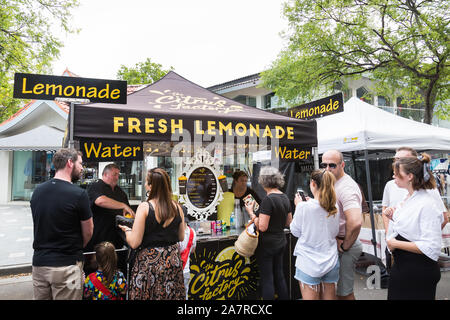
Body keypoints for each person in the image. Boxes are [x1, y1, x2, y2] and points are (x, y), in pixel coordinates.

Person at [31, 148, 93, 300]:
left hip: (39, 265)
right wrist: (75, 247)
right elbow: (88, 231)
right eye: (80, 163)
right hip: (68, 267)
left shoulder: (37, 191)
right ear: (70, 163)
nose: (82, 168)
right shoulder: (79, 194)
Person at [118, 168, 186, 300]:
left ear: (152, 186)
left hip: (149, 265)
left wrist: (127, 231)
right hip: (172, 263)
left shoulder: (144, 207)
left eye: (146, 182)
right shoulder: (178, 207)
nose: (144, 185)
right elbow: (181, 236)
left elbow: (134, 242)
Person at [386, 153, 443, 299]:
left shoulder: (427, 203)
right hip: (404, 267)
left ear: (410, 176)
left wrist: (395, 243)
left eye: (397, 174)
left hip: (418, 271)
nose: (394, 177)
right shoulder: (410, 198)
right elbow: (411, 228)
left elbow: (430, 246)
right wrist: (393, 217)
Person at [382, 147, 449, 270]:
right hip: (397, 253)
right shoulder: (393, 187)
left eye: (402, 159)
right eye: (395, 159)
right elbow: (403, 218)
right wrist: (391, 231)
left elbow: (441, 220)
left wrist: (411, 241)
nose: (397, 163)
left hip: (415, 259)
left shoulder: (428, 193)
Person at [290, 169, 340, 300]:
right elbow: (334, 232)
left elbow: (295, 231)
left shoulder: (303, 207)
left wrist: (298, 206)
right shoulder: (334, 206)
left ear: (313, 183)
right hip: (331, 260)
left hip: (308, 262)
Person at [245, 166, 292, 300]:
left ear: (263, 182)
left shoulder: (268, 200)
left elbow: (263, 227)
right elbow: (289, 222)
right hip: (281, 241)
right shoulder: (284, 197)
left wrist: (251, 213)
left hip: (267, 245)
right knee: (279, 275)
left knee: (267, 279)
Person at [321, 150, 362, 300]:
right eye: (323, 165)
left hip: (345, 246)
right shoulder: (332, 182)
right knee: (335, 291)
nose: (327, 168)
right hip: (337, 243)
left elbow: (356, 221)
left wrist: (345, 245)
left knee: (344, 293)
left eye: (332, 165)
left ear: (342, 165)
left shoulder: (347, 188)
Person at [86, 163, 134, 252]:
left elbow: (128, 211)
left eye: (118, 175)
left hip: (117, 239)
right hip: (99, 238)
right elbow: (100, 200)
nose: (117, 177)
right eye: (114, 174)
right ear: (105, 174)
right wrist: (123, 205)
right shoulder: (96, 186)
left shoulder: (120, 192)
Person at [178, 209, 197, 300]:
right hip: (186, 270)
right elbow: (193, 250)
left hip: (175, 271)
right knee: (185, 295)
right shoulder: (192, 231)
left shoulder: (175, 233)